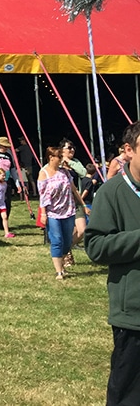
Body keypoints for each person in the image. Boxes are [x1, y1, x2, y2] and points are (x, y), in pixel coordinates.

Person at [85, 121, 140, 405]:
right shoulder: (112, 193)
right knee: (128, 396)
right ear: (128, 151)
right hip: (134, 317)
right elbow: (95, 247)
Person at [38, 146, 87, 281]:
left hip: (68, 210)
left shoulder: (65, 172)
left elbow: (74, 190)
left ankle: (63, 261)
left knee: (67, 241)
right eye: (58, 157)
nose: (61, 160)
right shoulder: (44, 173)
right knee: (57, 240)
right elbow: (42, 195)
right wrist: (43, 213)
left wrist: (83, 204)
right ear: (51, 157)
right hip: (53, 212)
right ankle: (59, 271)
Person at [60, 138, 88, 262]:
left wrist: (69, 162)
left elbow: (83, 172)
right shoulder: (57, 163)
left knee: (82, 231)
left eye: (73, 148)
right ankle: (66, 255)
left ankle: (65, 249)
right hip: (62, 202)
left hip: (76, 200)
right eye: (69, 148)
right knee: (68, 230)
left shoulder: (75, 162)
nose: (72, 150)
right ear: (62, 150)